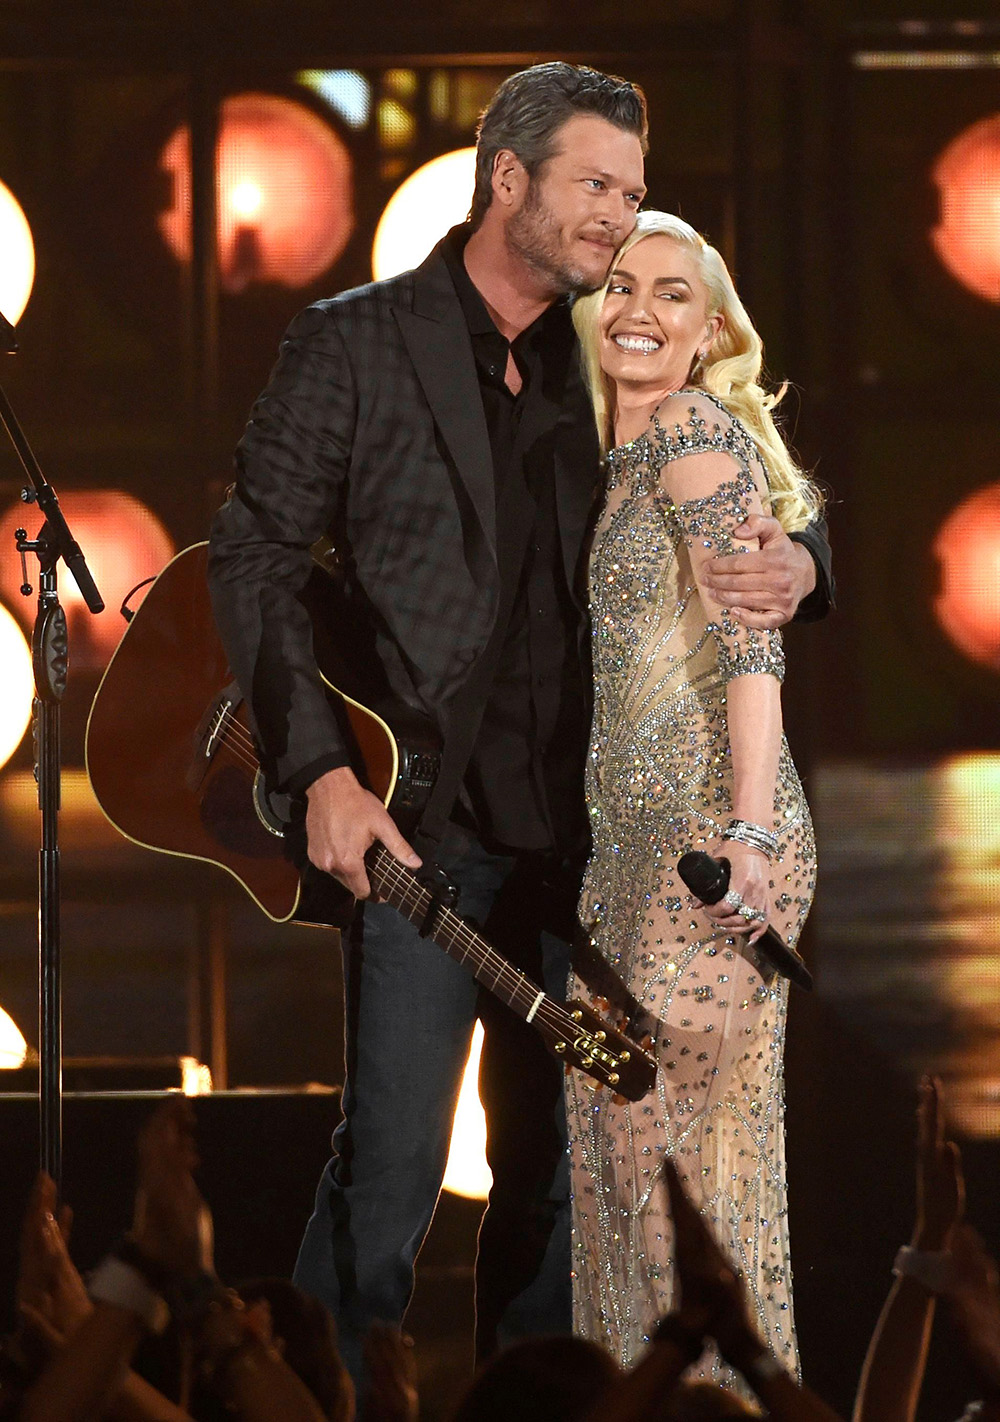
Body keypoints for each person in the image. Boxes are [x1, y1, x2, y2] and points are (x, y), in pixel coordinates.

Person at [207, 65, 834, 1393]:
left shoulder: (607, 341)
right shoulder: (358, 342)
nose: (622, 218)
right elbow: (254, 553)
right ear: (510, 180)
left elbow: (733, 462)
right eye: (598, 187)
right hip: (423, 845)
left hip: (600, 865)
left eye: (635, 193)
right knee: (388, 1180)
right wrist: (316, 762)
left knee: (567, 1210)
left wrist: (808, 561)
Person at [566, 210, 821, 1381]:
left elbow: (753, 638)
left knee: (668, 1175)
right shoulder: (608, 453)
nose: (639, 309)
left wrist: (754, 833)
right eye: (620, 284)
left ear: (711, 327)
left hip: (709, 852)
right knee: (626, 1179)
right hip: (622, 859)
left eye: (673, 293)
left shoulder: (689, 430)